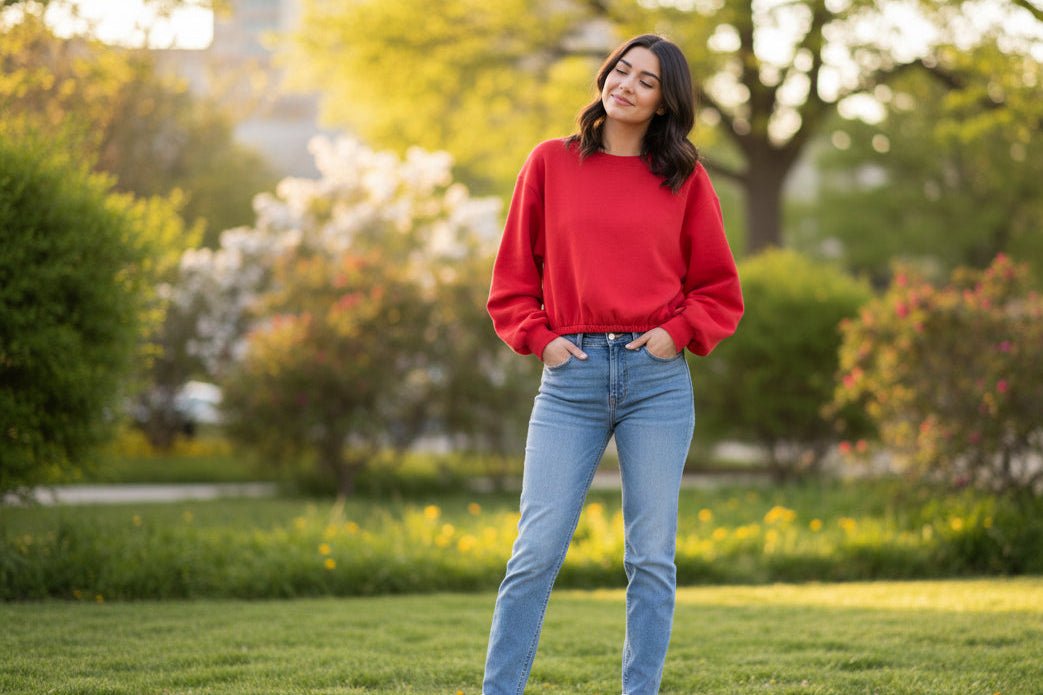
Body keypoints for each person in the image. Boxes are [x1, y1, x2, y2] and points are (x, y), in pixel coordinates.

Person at [482, 33, 744, 695]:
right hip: (569, 378)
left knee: (650, 557)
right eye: (621, 70)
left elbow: (718, 287)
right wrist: (540, 339)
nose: (626, 85)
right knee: (535, 551)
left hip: (655, 381)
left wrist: (674, 334)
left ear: (664, 102)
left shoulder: (684, 177)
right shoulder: (550, 162)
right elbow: (511, 281)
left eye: (646, 81)